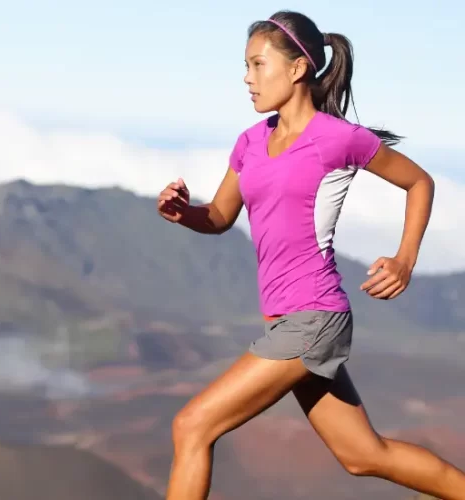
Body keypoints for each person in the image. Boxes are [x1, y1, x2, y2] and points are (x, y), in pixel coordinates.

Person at [156, 10, 465, 500]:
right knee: (364, 456)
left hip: (314, 316)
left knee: (191, 425)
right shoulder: (250, 142)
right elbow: (218, 216)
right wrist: (182, 212)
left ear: (297, 69)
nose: (246, 77)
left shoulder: (337, 138)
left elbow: (418, 181)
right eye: (245, 65)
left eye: (258, 65)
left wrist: (405, 259)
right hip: (285, 321)